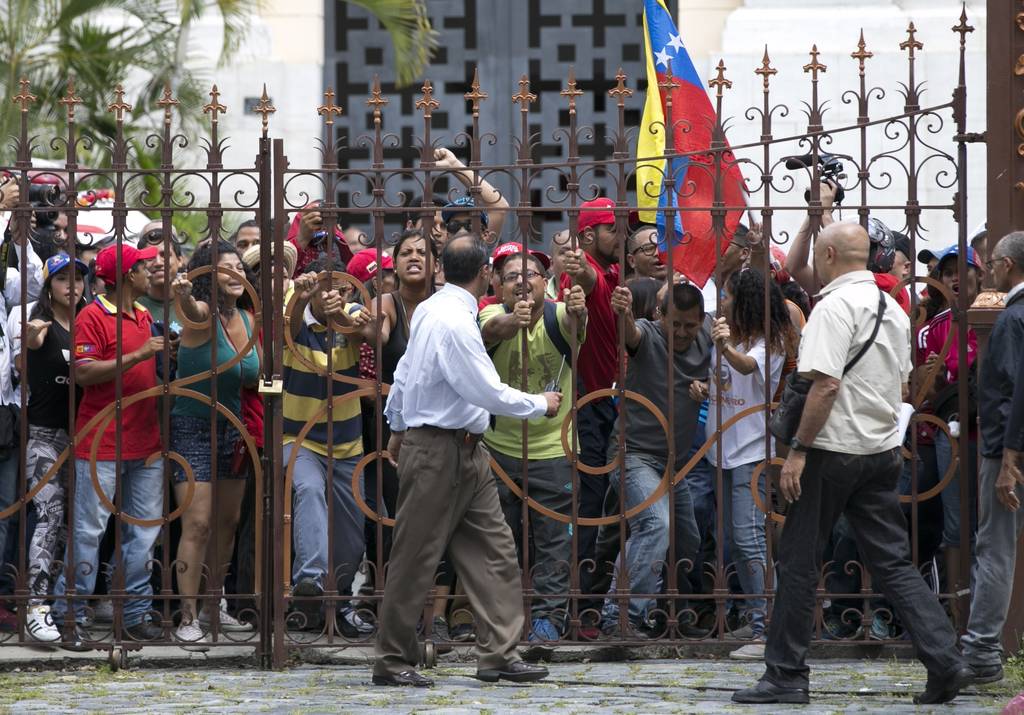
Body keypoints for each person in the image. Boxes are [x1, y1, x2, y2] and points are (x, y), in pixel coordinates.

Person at [733, 222, 969, 706]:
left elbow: (825, 385)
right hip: (879, 451)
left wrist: (798, 450)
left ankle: (785, 675)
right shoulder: (892, 308)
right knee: (892, 562)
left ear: (829, 255)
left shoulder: (834, 307)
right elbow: (901, 384)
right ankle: (946, 660)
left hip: (830, 450)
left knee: (798, 561)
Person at [374, 233, 559, 687]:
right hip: (440, 449)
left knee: (494, 550)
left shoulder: (433, 309)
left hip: (463, 448)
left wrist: (396, 424)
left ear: (441, 269)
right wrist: (540, 403)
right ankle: (393, 660)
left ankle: (499, 653)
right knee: (416, 556)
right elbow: (485, 390)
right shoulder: (455, 321)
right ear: (486, 274)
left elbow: (404, 372)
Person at [51, 243, 167, 649]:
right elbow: (83, 373)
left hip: (145, 442)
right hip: (100, 442)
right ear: (127, 276)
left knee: (144, 532)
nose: (150, 271)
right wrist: (138, 355)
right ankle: (70, 616)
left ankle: (133, 615)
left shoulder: (144, 314)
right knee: (89, 532)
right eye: (143, 267)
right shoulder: (92, 316)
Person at [480, 250, 587, 643]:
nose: (522, 282)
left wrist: (578, 311)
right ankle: (501, 621)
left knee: (555, 541)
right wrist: (515, 320)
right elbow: (494, 330)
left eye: (531, 274)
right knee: (497, 540)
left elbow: (576, 325)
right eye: (511, 276)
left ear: (546, 282)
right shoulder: (489, 312)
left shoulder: (559, 315)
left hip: (555, 450)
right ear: (497, 285)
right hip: (498, 449)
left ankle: (548, 620)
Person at [692, 269, 792, 660]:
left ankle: (769, 628)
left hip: (751, 451)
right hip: (720, 449)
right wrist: (703, 387)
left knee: (749, 538)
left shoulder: (770, 342)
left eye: (728, 296)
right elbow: (726, 381)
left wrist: (724, 344)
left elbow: (749, 367)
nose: (723, 302)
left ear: (746, 301)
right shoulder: (729, 335)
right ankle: (755, 616)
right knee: (733, 540)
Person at [600, 282, 710, 638]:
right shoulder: (648, 334)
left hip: (673, 463)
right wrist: (623, 312)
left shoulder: (709, 334)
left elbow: (731, 369)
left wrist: (708, 386)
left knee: (686, 538)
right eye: (674, 323)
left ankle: (667, 614)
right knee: (655, 525)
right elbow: (629, 334)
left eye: (689, 325)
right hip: (633, 455)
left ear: (701, 320)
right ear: (660, 315)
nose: (681, 332)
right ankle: (620, 616)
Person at [168, 240, 260, 648]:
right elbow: (190, 312)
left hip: (234, 428)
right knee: (198, 523)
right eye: (226, 267)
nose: (236, 273)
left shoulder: (248, 318)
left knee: (227, 522)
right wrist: (183, 295)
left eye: (239, 266)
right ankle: (187, 615)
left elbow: (256, 373)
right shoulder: (202, 313)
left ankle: (212, 603)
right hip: (193, 426)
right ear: (209, 275)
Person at [284, 257, 375, 638]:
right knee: (308, 490)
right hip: (298, 438)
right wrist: (301, 299)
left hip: (347, 443)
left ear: (348, 289)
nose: (328, 296)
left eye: (336, 289)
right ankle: (309, 582)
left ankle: (338, 607)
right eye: (322, 288)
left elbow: (366, 333)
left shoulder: (352, 310)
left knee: (352, 531)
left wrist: (341, 315)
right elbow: (286, 331)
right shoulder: (295, 307)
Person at [9, 254, 87, 642]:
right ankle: (35, 605)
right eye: (62, 279)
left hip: (85, 436)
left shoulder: (89, 322)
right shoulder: (41, 323)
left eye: (78, 279)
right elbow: (30, 344)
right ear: (48, 285)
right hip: (44, 436)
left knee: (76, 523)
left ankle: (64, 603)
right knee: (49, 516)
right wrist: (32, 337)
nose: (72, 286)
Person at [960, 231, 1024, 686]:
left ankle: (982, 651)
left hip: (1009, 451)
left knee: (995, 549)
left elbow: (1014, 394)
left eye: (991, 263)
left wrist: (1008, 458)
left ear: (1007, 265)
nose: (987, 271)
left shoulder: (1013, 319)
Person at [558, 197, 622, 633]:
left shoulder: (614, 272)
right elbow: (582, 276)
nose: (620, 236)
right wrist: (578, 265)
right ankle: (573, 608)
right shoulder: (587, 273)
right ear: (587, 236)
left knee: (602, 509)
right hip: (584, 405)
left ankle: (584, 605)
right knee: (587, 510)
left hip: (607, 404)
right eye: (612, 228)